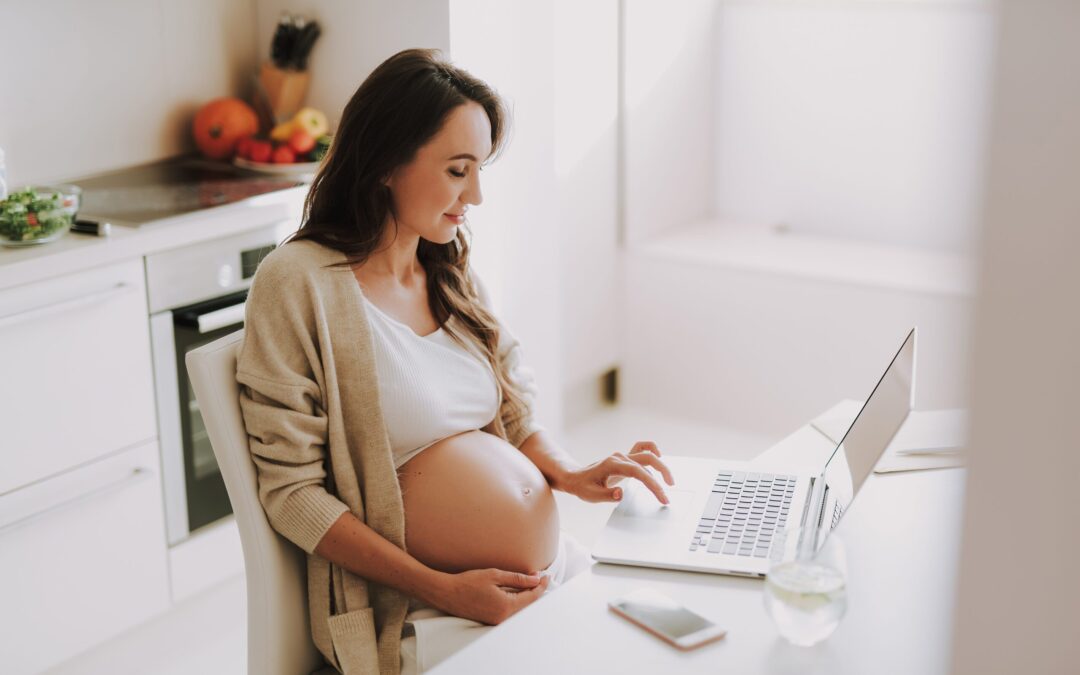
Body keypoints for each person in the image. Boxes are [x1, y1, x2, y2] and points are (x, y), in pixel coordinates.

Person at [236, 48, 675, 675]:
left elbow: (514, 412)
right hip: (421, 610)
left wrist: (571, 473)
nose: (476, 195)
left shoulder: (447, 268)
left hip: (533, 583)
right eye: (457, 170)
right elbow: (292, 495)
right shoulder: (298, 281)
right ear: (387, 161)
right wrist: (442, 590)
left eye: (480, 169)